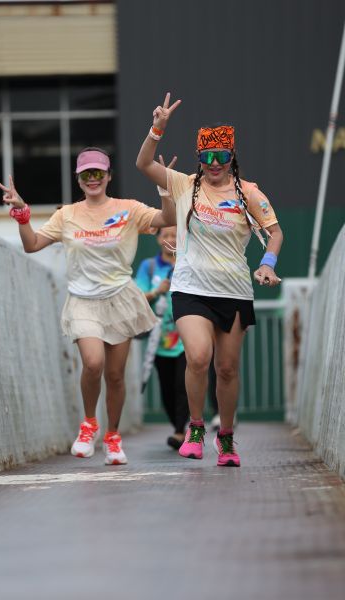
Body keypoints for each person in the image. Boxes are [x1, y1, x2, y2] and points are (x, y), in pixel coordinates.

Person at [0, 147, 175, 466]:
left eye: (98, 173)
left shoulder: (129, 209)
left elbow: (168, 219)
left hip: (120, 299)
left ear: (108, 176)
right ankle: (89, 424)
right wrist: (22, 213)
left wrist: (164, 189)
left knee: (116, 376)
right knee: (93, 363)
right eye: (86, 174)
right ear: (78, 179)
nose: (93, 179)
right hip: (83, 300)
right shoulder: (66, 215)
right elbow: (31, 245)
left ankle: (113, 437)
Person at [136, 93, 283, 467]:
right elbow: (144, 163)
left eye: (221, 156)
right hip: (191, 289)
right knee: (198, 357)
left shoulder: (249, 193)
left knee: (227, 369)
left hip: (234, 291)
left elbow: (275, 232)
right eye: (207, 156)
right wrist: (157, 129)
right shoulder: (185, 185)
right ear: (198, 157)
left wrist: (267, 264)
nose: (214, 163)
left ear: (232, 156)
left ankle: (227, 437)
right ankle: (196, 427)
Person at [135, 224, 189, 450]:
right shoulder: (149, 267)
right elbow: (137, 297)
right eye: (165, 235)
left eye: (175, 235)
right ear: (158, 239)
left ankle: (180, 431)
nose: (170, 239)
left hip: (187, 337)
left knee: (182, 384)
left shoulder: (190, 262)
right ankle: (179, 427)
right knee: (167, 388)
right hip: (160, 340)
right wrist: (157, 291)